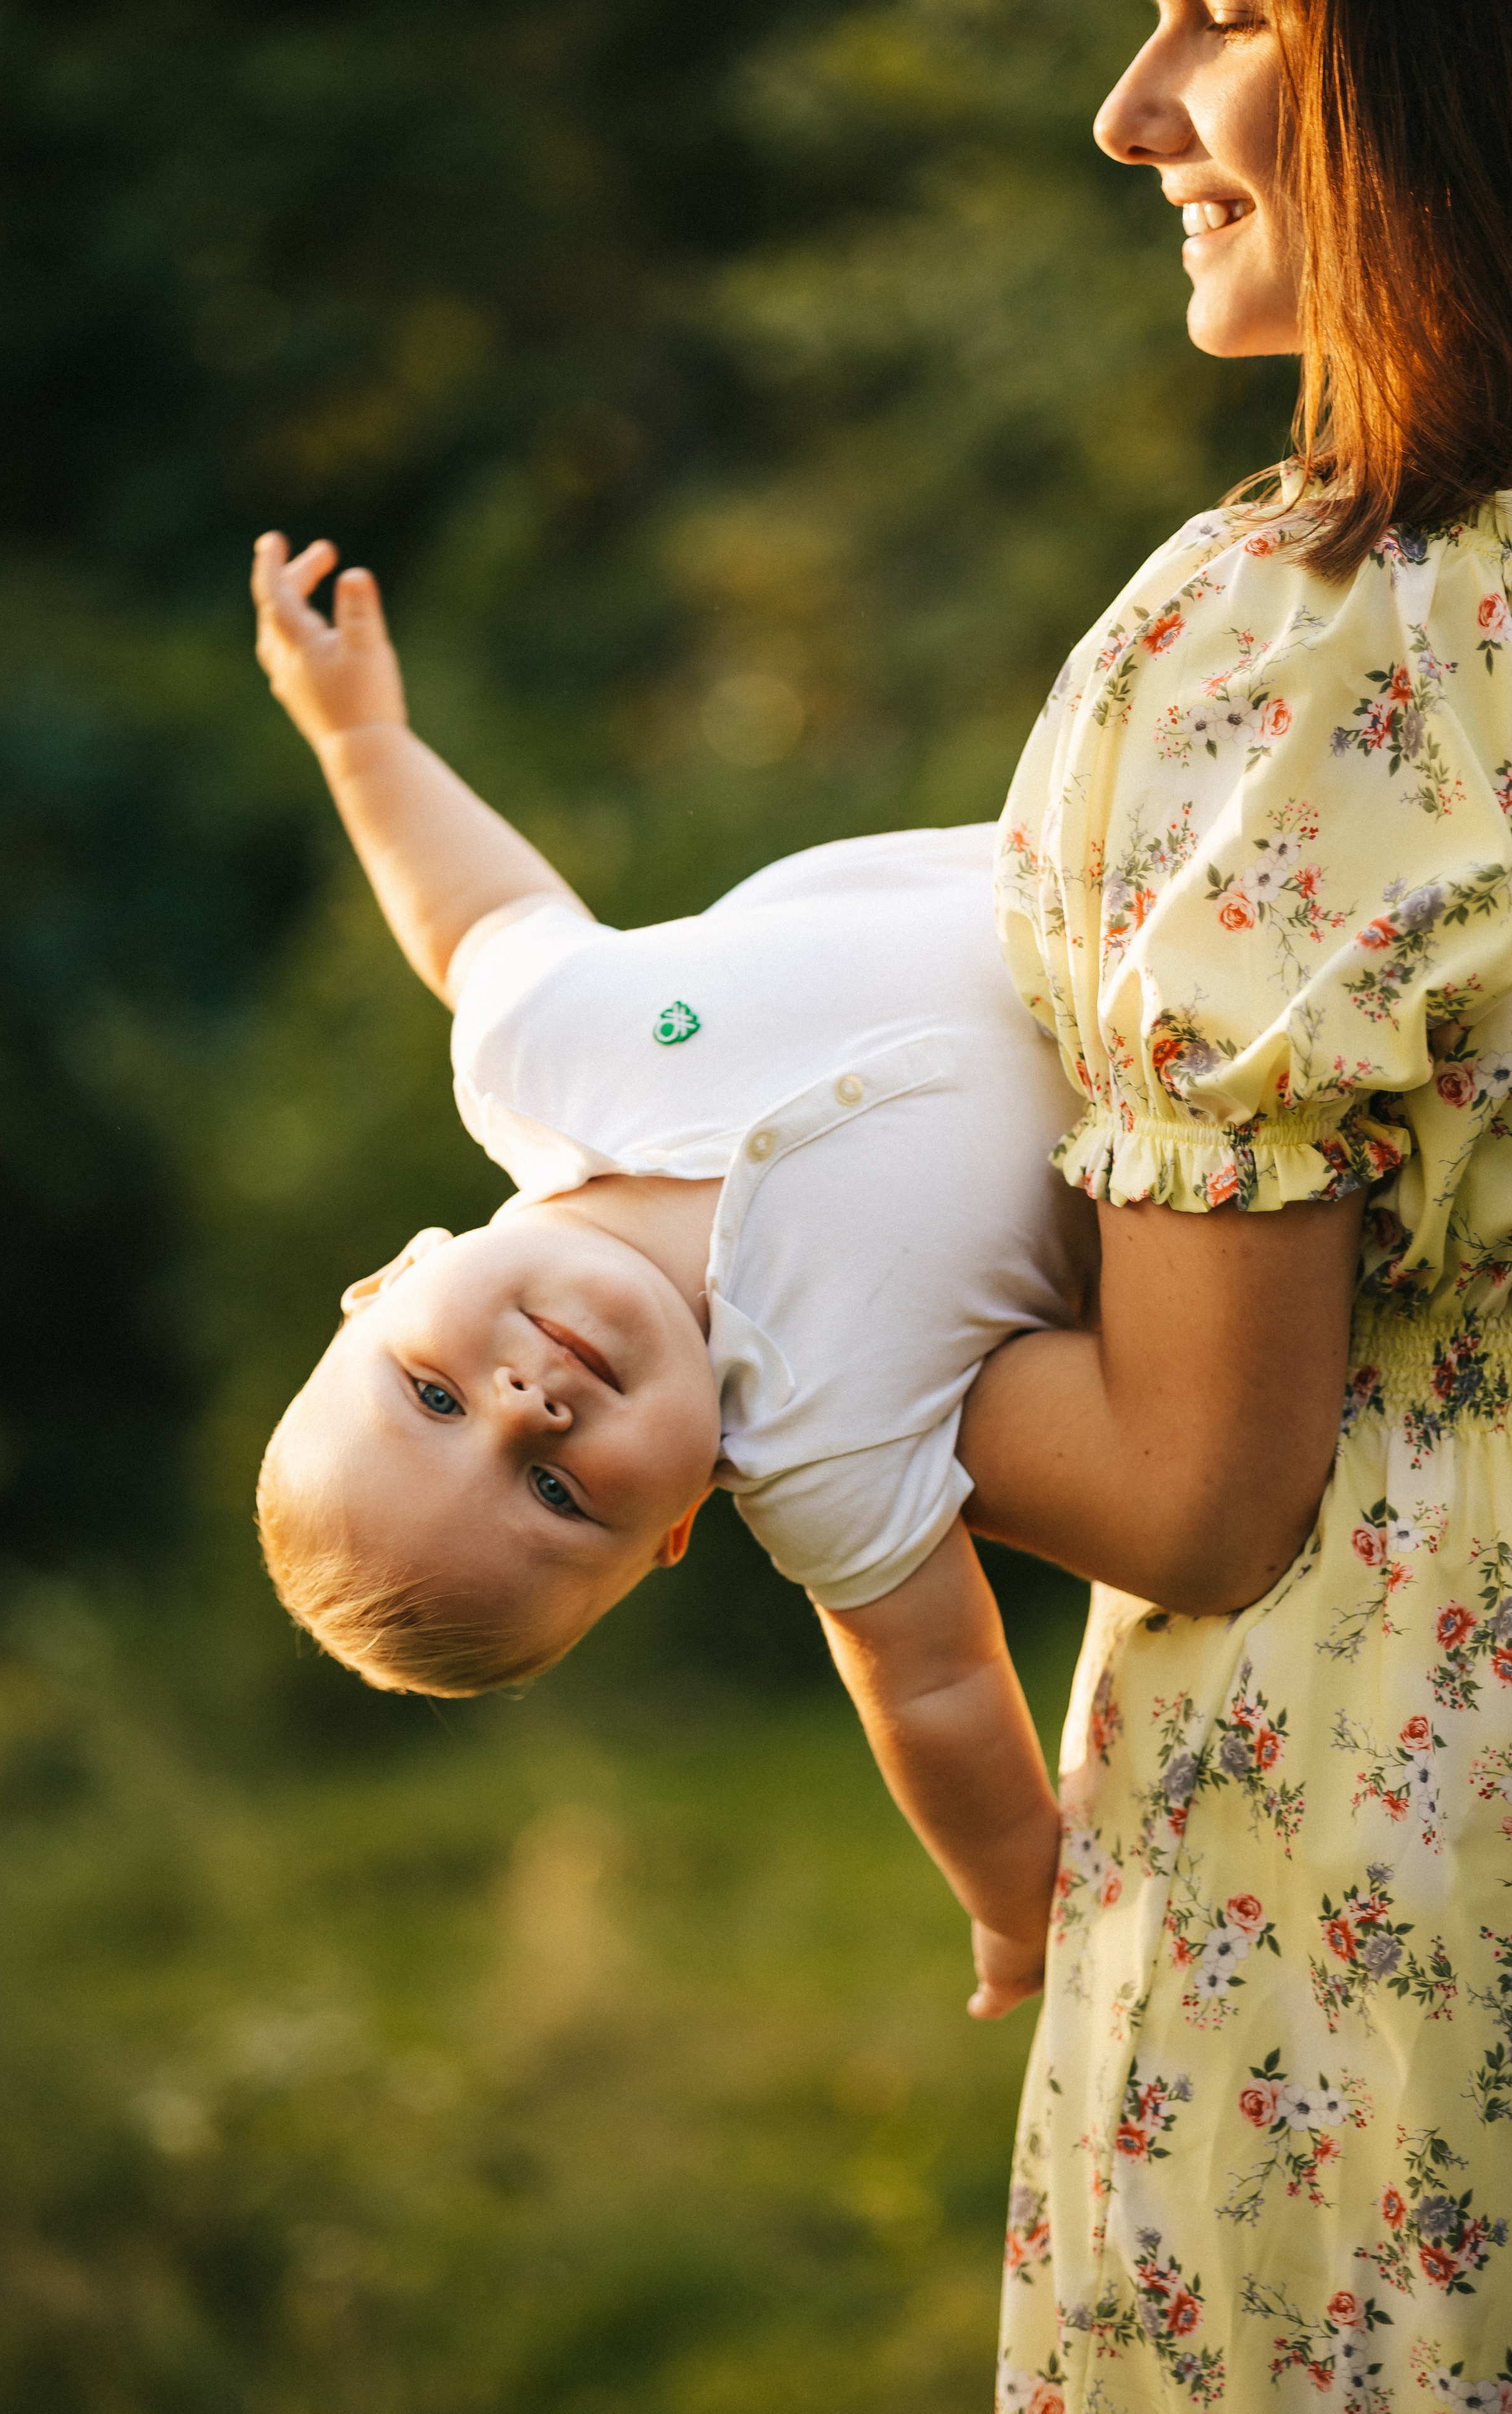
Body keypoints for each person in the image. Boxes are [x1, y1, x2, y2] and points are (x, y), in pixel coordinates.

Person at [964, 2, 1512, 2408]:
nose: (1133, 110)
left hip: (1411, 1823)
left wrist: (752, 1339)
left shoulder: (1344, 638)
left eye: (1225, 10)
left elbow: (1202, 1492)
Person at [250, 527, 1101, 2024]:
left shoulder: (539, 1057)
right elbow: (931, 1687)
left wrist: (361, 738)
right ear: (664, 1539)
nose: (529, 1411)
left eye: (433, 1395)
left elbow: (474, 917)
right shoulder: (826, 1448)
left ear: (386, 1281)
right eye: (557, 1497)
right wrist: (1015, 1904)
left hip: (1136, 841)